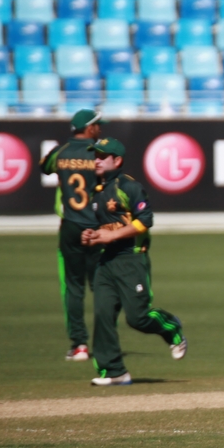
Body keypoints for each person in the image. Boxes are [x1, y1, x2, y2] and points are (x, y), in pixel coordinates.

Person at [81, 138, 185, 386]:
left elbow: (145, 220)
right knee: (103, 314)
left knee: (137, 318)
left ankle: (171, 328)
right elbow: (106, 226)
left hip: (132, 258)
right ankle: (114, 371)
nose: (96, 159)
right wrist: (92, 235)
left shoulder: (128, 186)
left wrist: (113, 235)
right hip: (107, 261)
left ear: (116, 160)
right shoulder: (96, 190)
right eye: (94, 154)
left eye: (102, 156)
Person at [38, 108, 103, 361]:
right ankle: (106, 342)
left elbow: (44, 166)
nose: (101, 130)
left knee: (73, 287)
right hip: (98, 227)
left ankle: (79, 346)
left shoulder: (60, 152)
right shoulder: (99, 153)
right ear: (89, 128)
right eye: (98, 126)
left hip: (71, 226)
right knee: (102, 286)